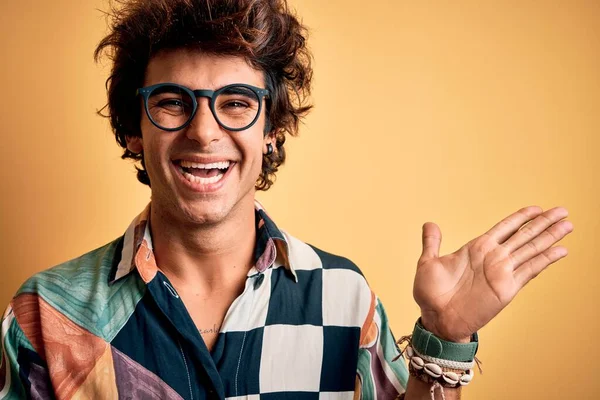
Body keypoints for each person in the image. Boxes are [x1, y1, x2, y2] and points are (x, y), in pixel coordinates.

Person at [0, 0, 573, 399]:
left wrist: (445, 337)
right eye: (173, 102)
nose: (204, 132)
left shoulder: (345, 299)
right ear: (134, 129)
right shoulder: (44, 317)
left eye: (237, 102)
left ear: (272, 130)